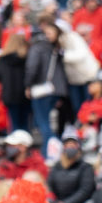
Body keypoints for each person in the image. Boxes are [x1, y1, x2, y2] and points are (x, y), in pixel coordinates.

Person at [26, 16, 68, 154]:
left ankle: (49, 153)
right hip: (57, 90)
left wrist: (28, 85)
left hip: (42, 90)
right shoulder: (54, 48)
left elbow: (32, 67)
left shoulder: (38, 48)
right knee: (48, 123)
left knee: (44, 123)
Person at [48, 131, 95, 203]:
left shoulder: (85, 167)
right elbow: (50, 186)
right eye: (67, 145)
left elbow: (85, 191)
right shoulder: (56, 167)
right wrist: (54, 202)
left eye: (73, 145)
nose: (70, 148)